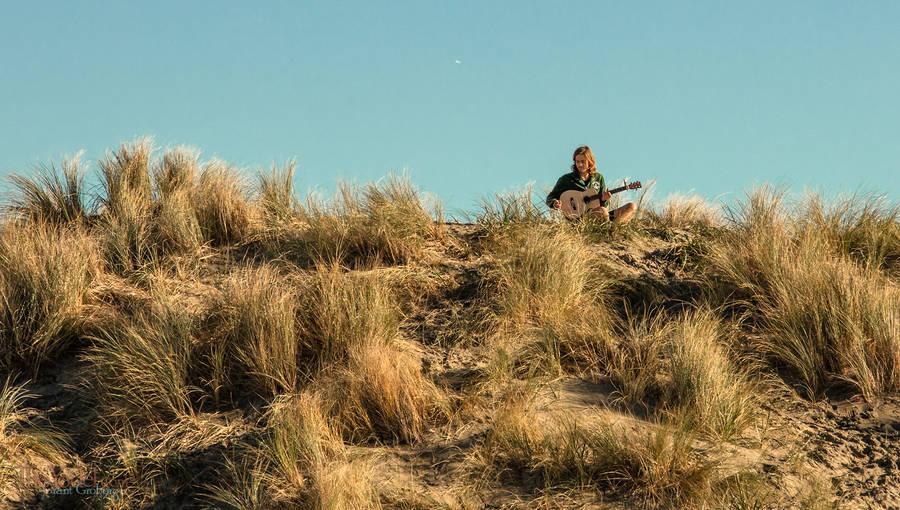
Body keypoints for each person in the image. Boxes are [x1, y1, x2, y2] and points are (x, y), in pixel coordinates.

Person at [546, 145, 636, 222]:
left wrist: (604, 199)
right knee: (602, 211)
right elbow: (550, 197)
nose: (580, 165)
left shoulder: (598, 178)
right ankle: (609, 231)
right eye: (577, 161)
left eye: (583, 162)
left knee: (632, 206)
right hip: (579, 220)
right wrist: (554, 203)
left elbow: (601, 204)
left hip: (599, 215)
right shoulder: (566, 179)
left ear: (589, 161)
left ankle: (614, 229)